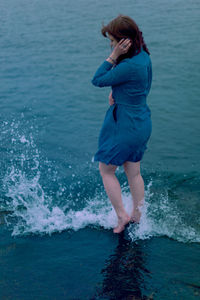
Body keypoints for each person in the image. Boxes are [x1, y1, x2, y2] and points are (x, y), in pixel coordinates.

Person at [91, 15, 152, 234]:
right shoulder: (143, 57)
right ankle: (137, 215)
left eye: (113, 41)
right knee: (133, 171)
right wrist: (117, 91)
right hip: (141, 121)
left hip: (124, 125)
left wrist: (112, 56)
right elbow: (144, 85)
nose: (111, 45)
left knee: (106, 170)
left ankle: (121, 216)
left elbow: (97, 79)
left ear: (124, 42)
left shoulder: (126, 65)